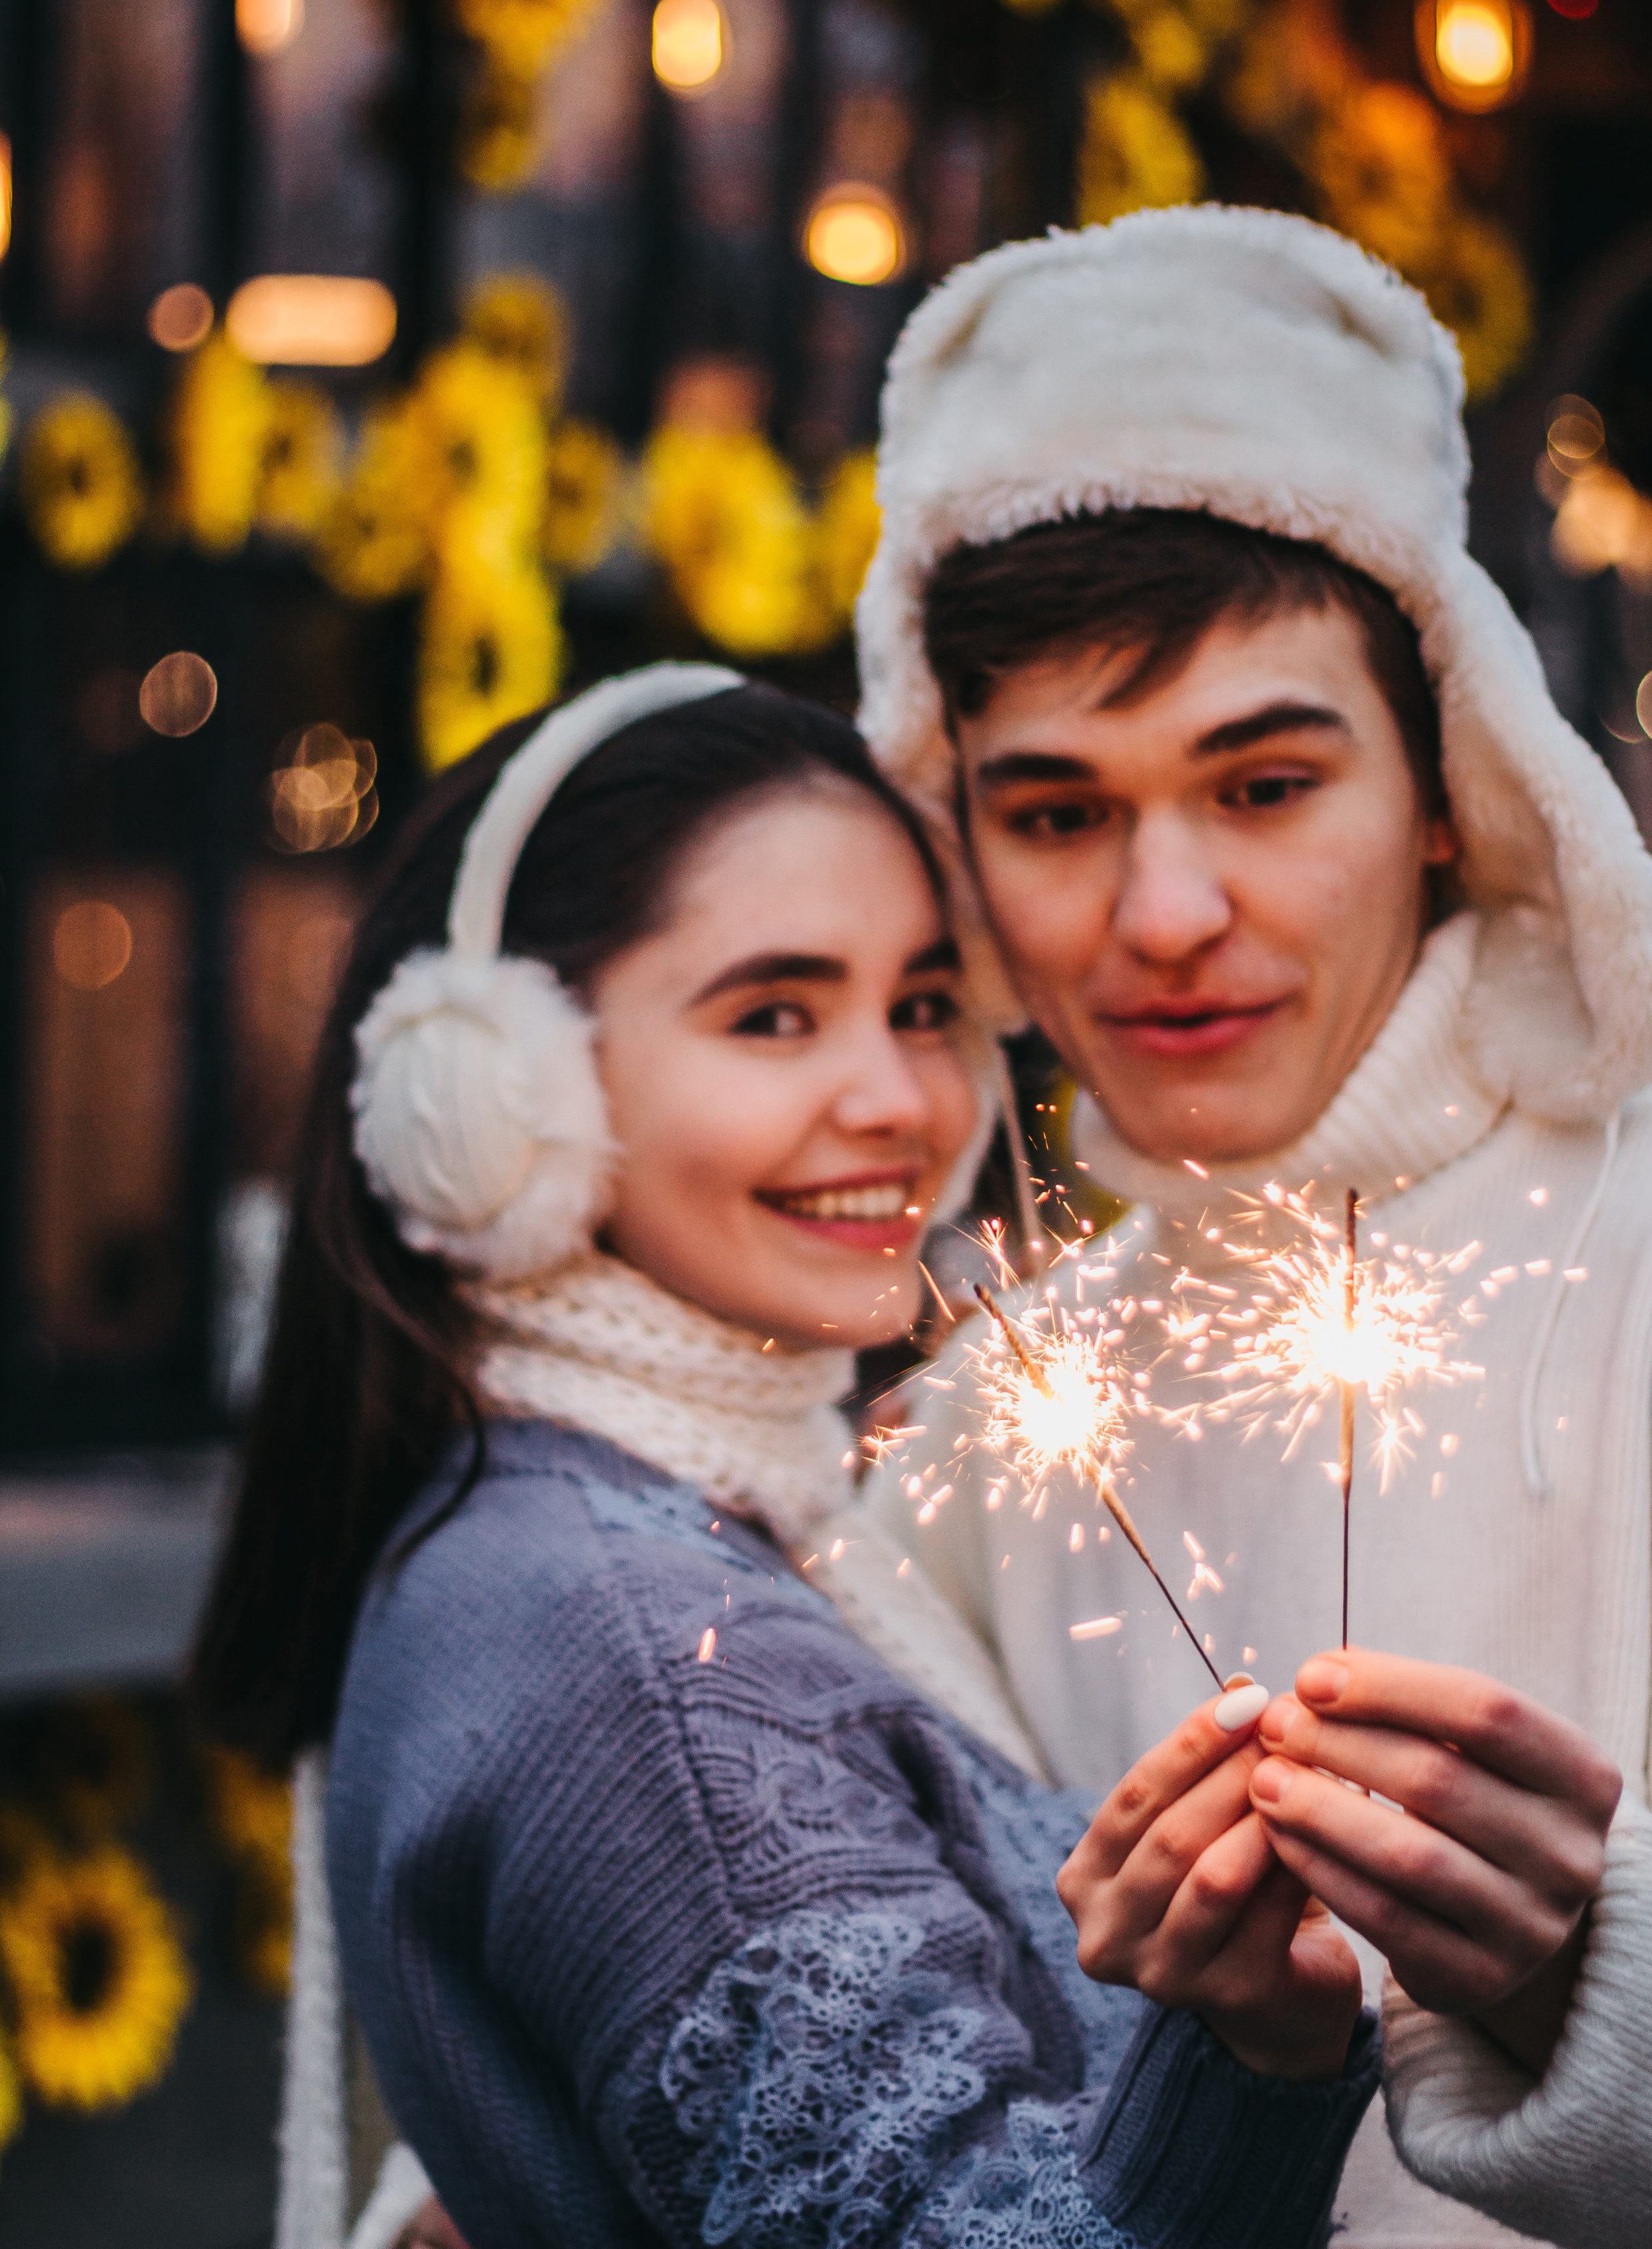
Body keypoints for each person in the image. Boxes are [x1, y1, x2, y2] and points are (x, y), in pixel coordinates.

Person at [191, 664, 1384, 2249]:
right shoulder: (646, 1655)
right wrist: (1257, 2046)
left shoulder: (583, 1525)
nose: (894, 1100)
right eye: (771, 1013)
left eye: (918, 1008)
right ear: (498, 1103)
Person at [853, 206, 1652, 2248]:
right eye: (1058, 813)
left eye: (1262, 784)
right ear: (958, 848)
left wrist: (1584, 1990)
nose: (1161, 918)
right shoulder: (981, 1428)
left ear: (1443, 779)